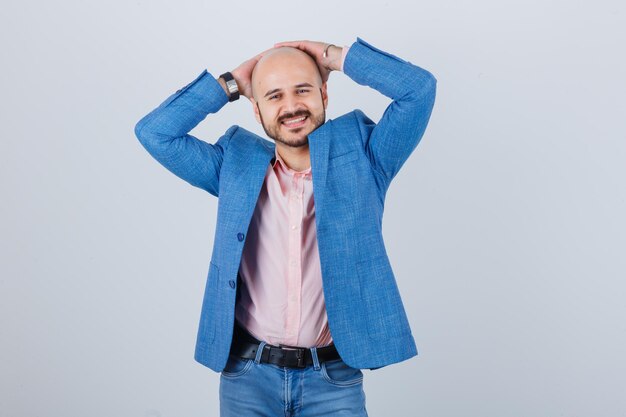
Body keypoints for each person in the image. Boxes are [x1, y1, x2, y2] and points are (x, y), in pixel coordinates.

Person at [134, 36, 437, 417]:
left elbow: (418, 90)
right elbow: (155, 133)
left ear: (325, 96)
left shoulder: (365, 157)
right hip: (247, 378)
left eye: (303, 90)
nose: (291, 106)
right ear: (257, 112)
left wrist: (335, 57)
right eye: (273, 96)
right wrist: (230, 83)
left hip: (333, 379)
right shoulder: (235, 165)